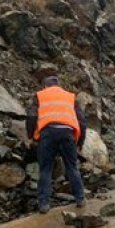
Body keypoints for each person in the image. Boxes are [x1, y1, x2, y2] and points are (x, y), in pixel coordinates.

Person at [26, 76, 87, 214]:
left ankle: (44, 204)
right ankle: (80, 199)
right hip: (67, 133)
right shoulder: (70, 97)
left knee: (45, 169)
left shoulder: (40, 96)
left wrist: (30, 136)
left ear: (46, 86)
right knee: (72, 167)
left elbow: (31, 116)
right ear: (59, 86)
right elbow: (82, 121)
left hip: (48, 133)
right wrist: (80, 142)